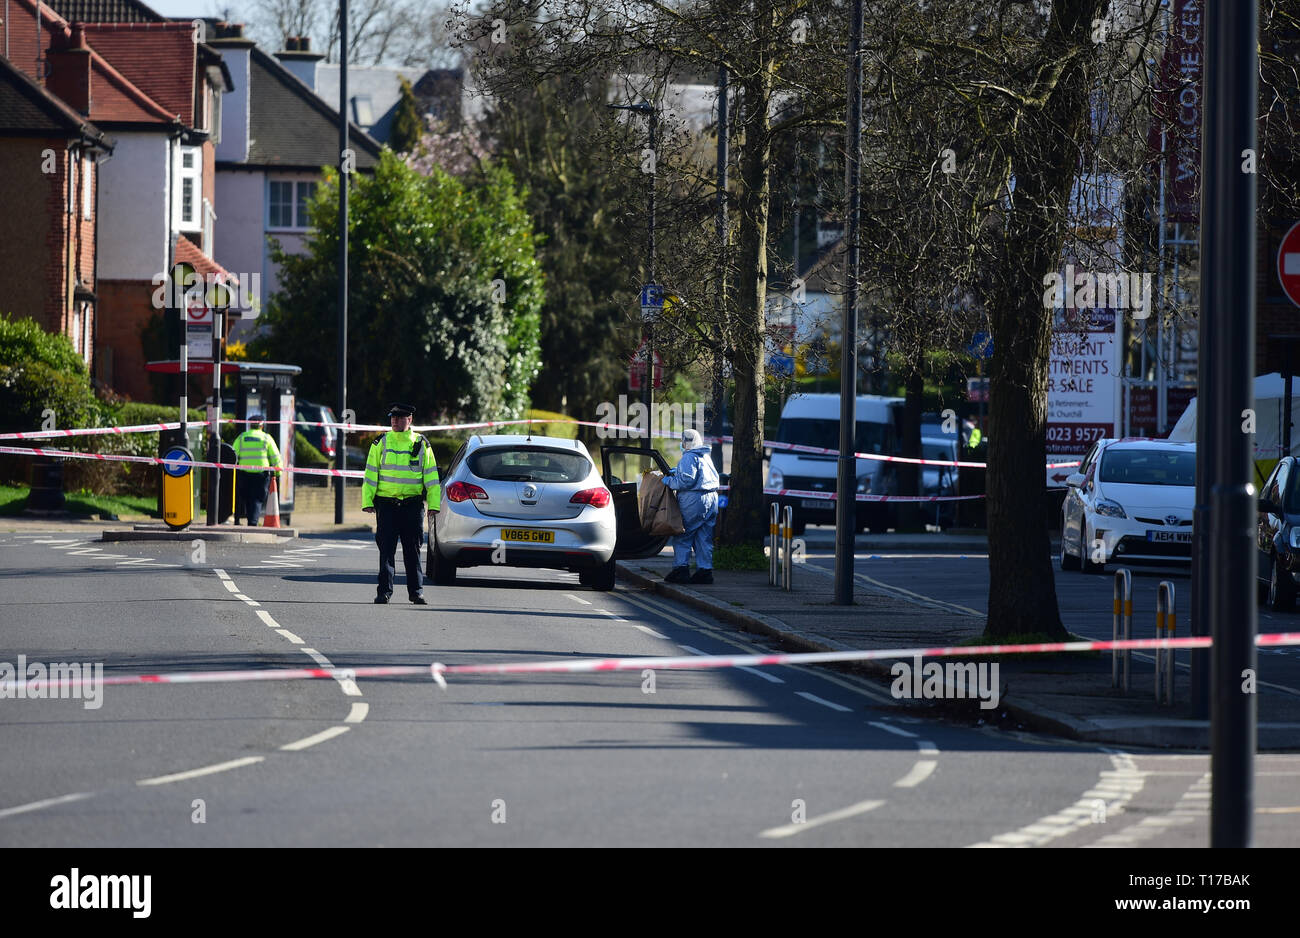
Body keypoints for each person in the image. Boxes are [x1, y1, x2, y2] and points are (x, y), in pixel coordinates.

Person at [362, 403, 441, 604]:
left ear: (410, 419)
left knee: (412, 551)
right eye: (393, 417)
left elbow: (431, 478)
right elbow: (371, 474)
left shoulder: (422, 444)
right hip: (387, 505)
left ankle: (416, 592)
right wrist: (367, 501)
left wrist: (433, 505)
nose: (395, 421)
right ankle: (384, 592)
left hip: (412, 506)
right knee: (386, 550)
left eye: (400, 417)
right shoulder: (381, 442)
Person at [661, 427, 719, 584]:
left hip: (693, 500)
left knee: (683, 534)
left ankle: (681, 569)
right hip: (711, 499)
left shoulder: (689, 457)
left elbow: (686, 481)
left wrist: (668, 481)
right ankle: (705, 571)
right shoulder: (705, 456)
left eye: (683, 441)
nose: (682, 444)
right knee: (703, 537)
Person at [231, 414, 282, 526]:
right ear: (261, 426)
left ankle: (246, 520)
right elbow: (275, 457)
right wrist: (278, 472)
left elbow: (233, 453)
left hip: (244, 473)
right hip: (261, 474)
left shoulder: (242, 437)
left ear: (250, 426)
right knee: (257, 499)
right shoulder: (266, 438)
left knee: (247, 497)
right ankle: (253, 522)